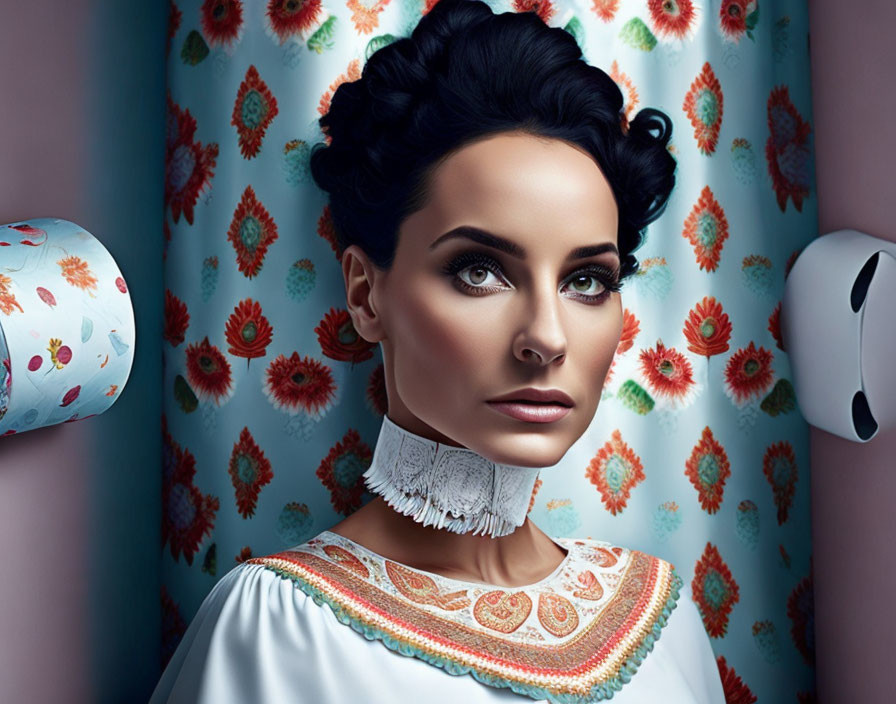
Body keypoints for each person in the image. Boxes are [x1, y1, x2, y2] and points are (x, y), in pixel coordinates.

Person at [150, 1, 726, 701]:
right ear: (365, 295)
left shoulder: (662, 622)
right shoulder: (277, 628)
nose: (545, 337)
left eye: (586, 280)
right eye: (479, 270)